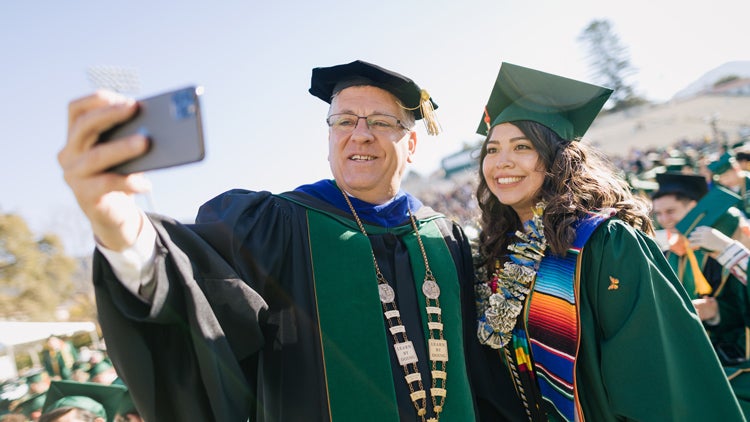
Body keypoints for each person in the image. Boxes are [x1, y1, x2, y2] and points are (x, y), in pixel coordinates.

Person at [58, 60, 484, 421]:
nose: (360, 134)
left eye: (379, 122)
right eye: (343, 121)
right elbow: (194, 283)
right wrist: (119, 226)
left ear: (411, 143)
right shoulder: (279, 225)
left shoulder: (444, 238)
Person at [470, 62, 745, 421]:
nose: (502, 162)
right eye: (492, 150)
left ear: (557, 158)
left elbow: (654, 382)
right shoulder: (494, 254)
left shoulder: (605, 243)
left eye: (522, 146)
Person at [651, 172, 749, 363]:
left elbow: (742, 310)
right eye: (659, 214)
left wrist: (715, 312)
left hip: (729, 354)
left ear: (695, 208)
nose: (663, 220)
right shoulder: (667, 255)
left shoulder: (719, 251)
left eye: (670, 211)